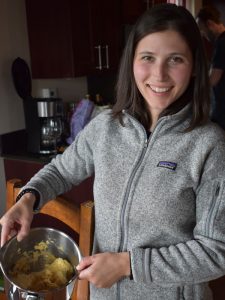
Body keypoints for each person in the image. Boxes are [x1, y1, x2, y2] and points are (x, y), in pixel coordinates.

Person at [1, 3, 225, 299]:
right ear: (132, 62)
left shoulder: (209, 144)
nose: (159, 74)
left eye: (175, 59)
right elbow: (60, 170)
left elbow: (215, 252)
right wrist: (29, 198)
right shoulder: (105, 126)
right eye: (148, 57)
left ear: (195, 66)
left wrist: (127, 265)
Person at [196, 5, 225, 130]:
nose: (203, 35)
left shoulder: (222, 42)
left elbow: (214, 79)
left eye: (202, 30)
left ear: (210, 24)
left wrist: (195, 86)